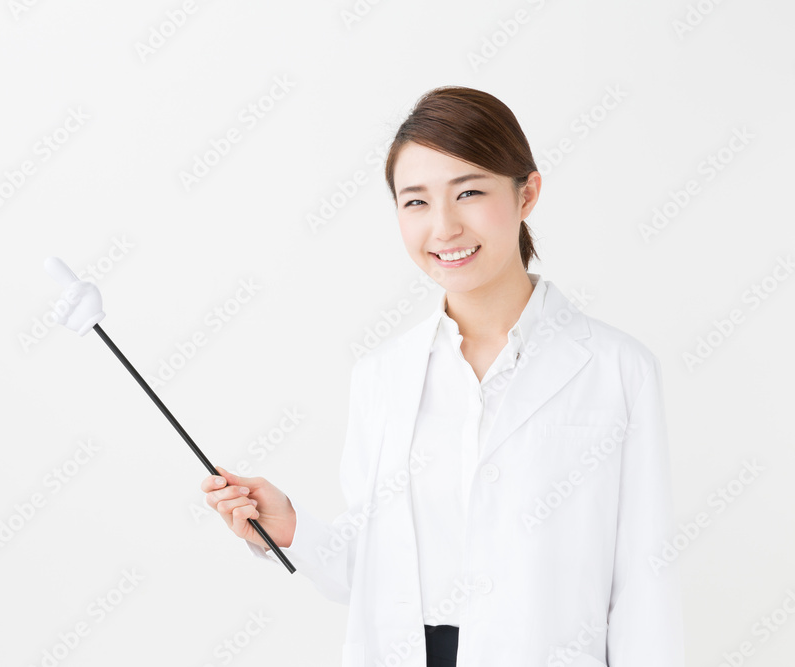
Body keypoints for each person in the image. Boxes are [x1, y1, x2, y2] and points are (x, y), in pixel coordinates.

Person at [199, 86, 685, 667]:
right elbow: (374, 576)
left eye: (470, 192)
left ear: (526, 192)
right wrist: (293, 529)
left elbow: (644, 585)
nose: (445, 227)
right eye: (416, 202)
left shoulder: (616, 369)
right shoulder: (381, 377)